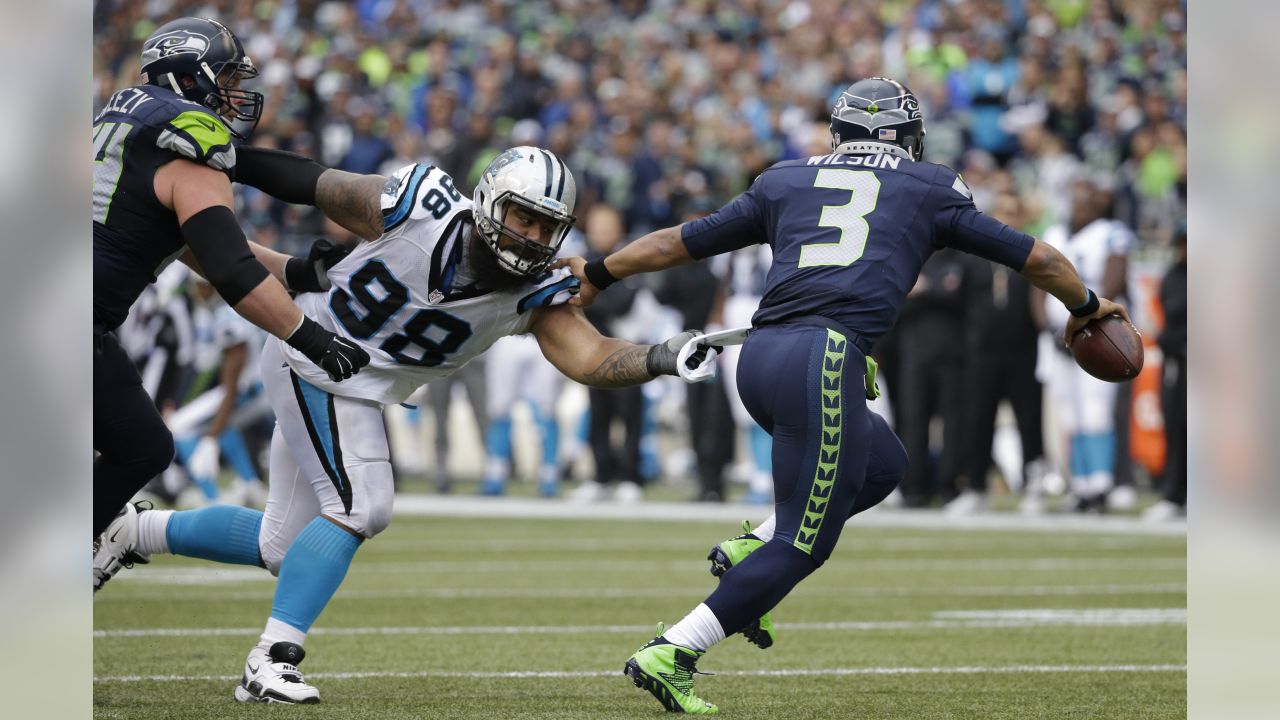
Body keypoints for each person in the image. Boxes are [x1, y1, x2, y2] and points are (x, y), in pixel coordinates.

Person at [557, 77, 1130, 714]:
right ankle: (674, 651)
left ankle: (749, 549)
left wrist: (601, 273)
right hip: (823, 360)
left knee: (882, 464)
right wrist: (1086, 305)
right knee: (806, 543)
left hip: (761, 359)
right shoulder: (930, 186)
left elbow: (678, 241)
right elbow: (1042, 260)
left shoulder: (784, 179)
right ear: (910, 138)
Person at [93, 145, 716, 704]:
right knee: (364, 505)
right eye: (523, 216)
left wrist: (658, 357)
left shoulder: (537, 291)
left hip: (353, 382)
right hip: (314, 352)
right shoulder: (420, 205)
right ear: (489, 201)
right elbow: (314, 182)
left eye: (547, 226)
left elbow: (592, 356)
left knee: (282, 545)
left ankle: (133, 532)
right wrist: (226, 156)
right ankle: (272, 659)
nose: (531, 236)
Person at [92, 18, 369, 552]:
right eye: (227, 78)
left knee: (142, 446)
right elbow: (230, 269)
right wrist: (312, 337)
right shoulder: (188, 148)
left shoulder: (131, 124)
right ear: (188, 78)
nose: (237, 94)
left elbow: (192, 243)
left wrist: (291, 271)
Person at [1032, 178, 1132, 512]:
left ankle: (1101, 485)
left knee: (1095, 411)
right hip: (1057, 337)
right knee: (1068, 414)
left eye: (1084, 199)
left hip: (1096, 334)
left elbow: (1113, 281)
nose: (1077, 204)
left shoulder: (1111, 233)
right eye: (1074, 198)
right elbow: (1036, 284)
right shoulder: (1055, 233)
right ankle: (1080, 484)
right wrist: (1047, 327)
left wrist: (1088, 321)